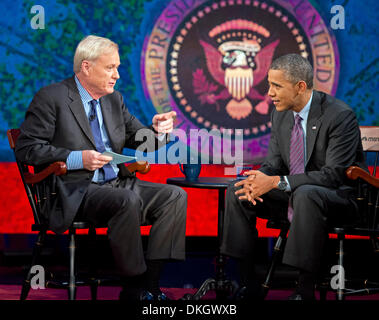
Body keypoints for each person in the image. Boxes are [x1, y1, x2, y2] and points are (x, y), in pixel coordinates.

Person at [15, 35, 187, 301]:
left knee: (175, 196)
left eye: (117, 67)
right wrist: (76, 158)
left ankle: (150, 287)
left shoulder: (113, 100)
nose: (117, 75)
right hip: (75, 190)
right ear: (86, 67)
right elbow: (27, 148)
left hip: (116, 185)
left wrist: (158, 131)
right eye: (110, 68)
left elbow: (142, 143)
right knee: (126, 200)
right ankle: (134, 286)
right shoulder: (52, 98)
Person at [220, 53, 367, 300]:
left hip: (337, 200)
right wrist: (258, 178)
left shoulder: (340, 116)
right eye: (269, 85)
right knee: (239, 190)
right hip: (294, 195)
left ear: (300, 87)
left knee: (306, 194)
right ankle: (247, 281)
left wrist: (277, 182)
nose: (269, 93)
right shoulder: (280, 113)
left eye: (277, 86)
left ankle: (303, 290)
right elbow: (274, 164)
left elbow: (333, 176)